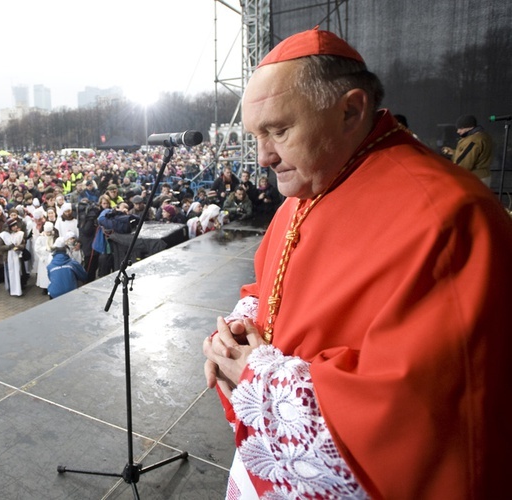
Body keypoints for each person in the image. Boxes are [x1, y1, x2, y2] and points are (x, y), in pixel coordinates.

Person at [202, 28, 512, 499]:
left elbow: (414, 417)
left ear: (350, 110)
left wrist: (256, 376)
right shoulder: (309, 184)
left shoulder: (447, 217)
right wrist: (239, 332)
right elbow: (270, 286)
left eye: (278, 130)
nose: (262, 156)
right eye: (255, 135)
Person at [442, 114, 493, 187]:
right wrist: (454, 153)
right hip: (483, 176)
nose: (458, 131)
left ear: (470, 127)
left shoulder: (472, 140)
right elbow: (472, 155)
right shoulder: (484, 136)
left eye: (461, 128)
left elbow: (464, 163)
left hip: (474, 178)